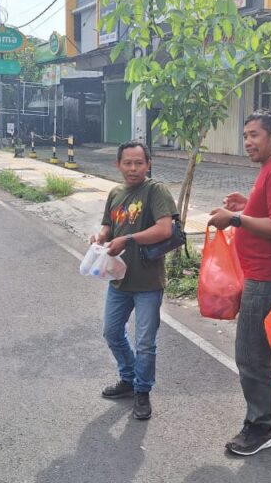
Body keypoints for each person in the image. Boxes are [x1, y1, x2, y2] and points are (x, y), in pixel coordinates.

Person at [208, 109, 271, 456]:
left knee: (251, 356)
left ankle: (259, 426)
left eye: (254, 135)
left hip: (268, 278)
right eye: (245, 135)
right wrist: (248, 207)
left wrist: (235, 218)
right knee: (269, 353)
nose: (248, 142)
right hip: (268, 274)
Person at [90, 141, 178, 421]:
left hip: (148, 281)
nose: (133, 168)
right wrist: (102, 236)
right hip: (119, 278)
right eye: (127, 163)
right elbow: (109, 224)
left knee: (145, 343)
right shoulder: (116, 193)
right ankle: (129, 377)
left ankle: (142, 391)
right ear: (117, 165)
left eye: (139, 163)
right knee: (111, 332)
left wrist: (128, 239)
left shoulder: (156, 191)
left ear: (148, 164)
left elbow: (164, 229)